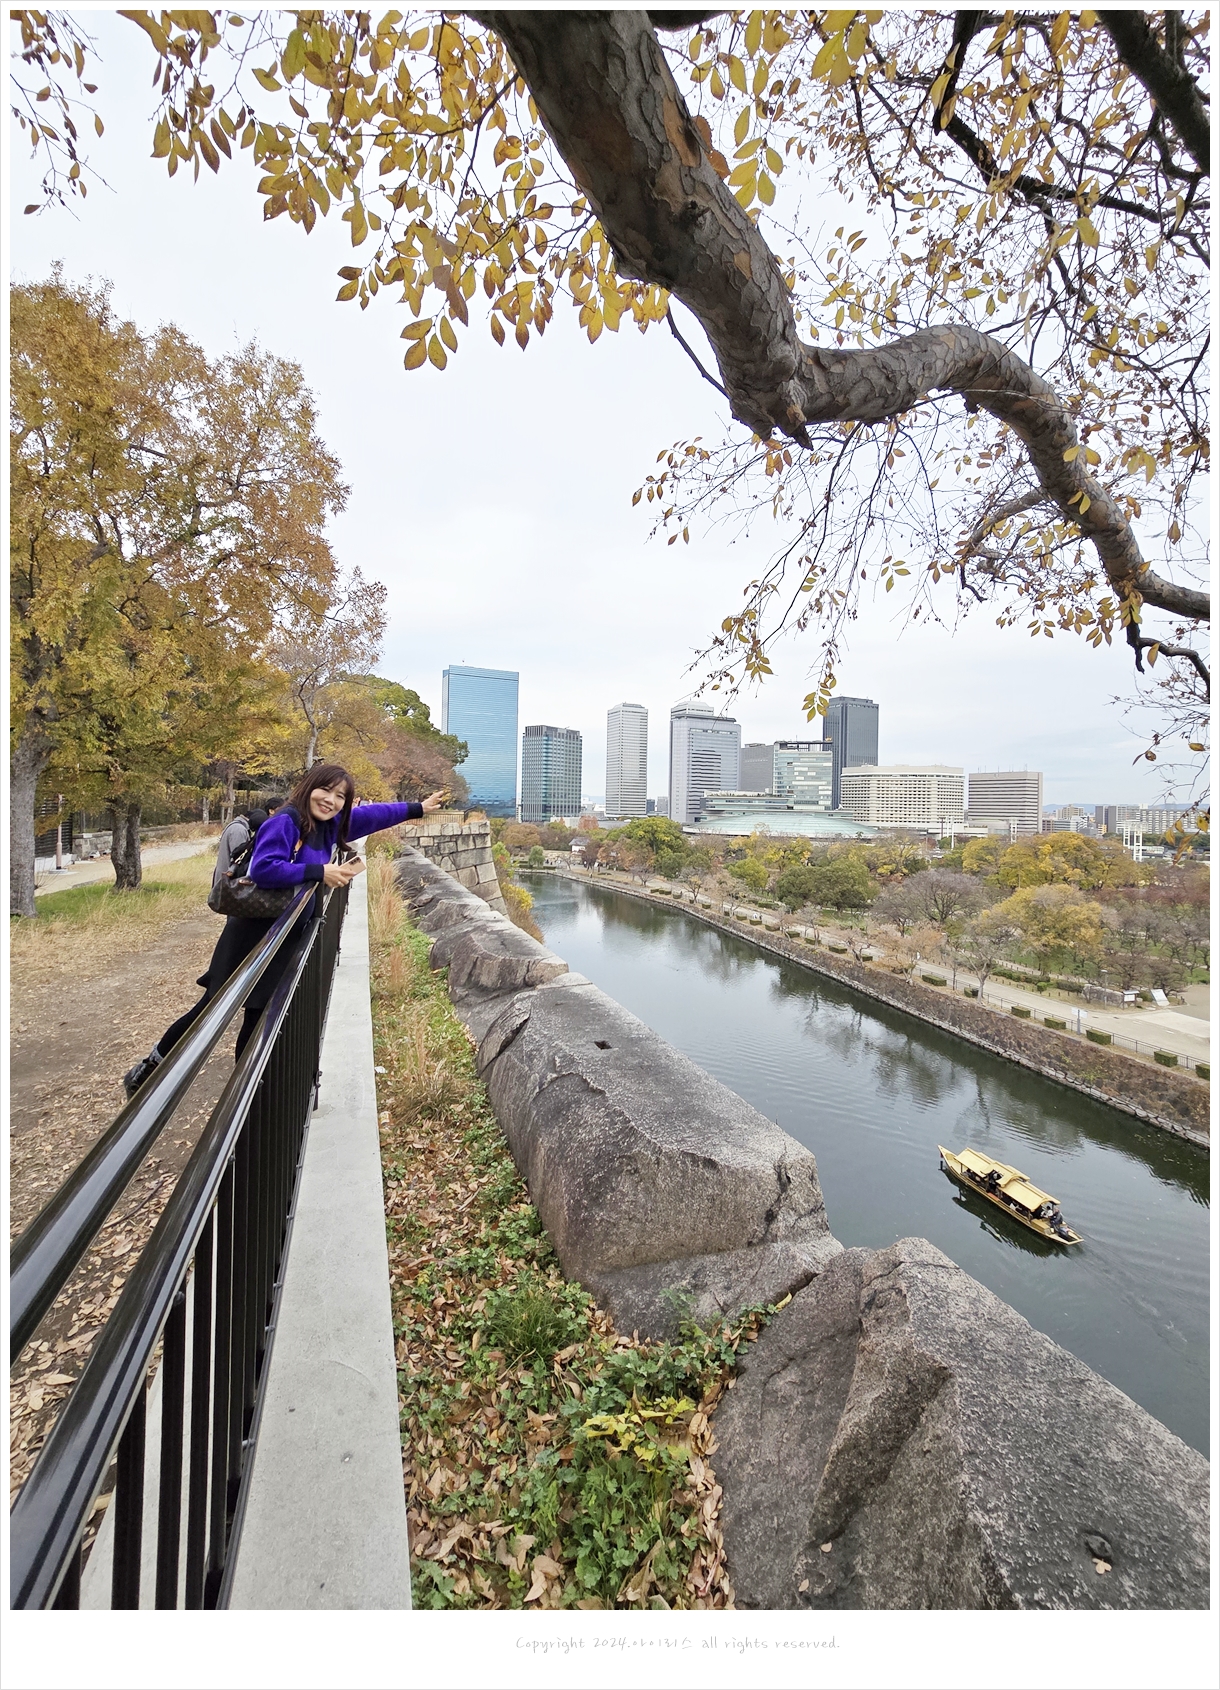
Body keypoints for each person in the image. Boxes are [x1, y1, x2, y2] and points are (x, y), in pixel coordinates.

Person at [122, 765, 445, 1096]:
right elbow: (264, 868)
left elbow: (375, 815)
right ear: (309, 787)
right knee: (211, 1009)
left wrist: (418, 808)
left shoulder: (331, 824)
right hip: (252, 935)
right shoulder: (286, 821)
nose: (331, 800)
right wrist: (319, 871)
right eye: (325, 790)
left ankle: (249, 1099)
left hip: (283, 937)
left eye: (340, 796)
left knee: (257, 1017)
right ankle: (151, 1068)